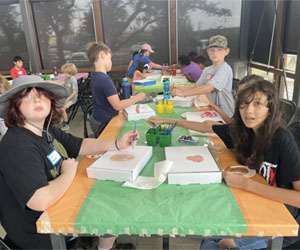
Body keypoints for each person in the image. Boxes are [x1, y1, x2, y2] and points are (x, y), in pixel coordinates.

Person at [0, 75, 139, 249]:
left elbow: (80, 145)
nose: (37, 100)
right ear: (15, 106)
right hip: (42, 233)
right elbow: (39, 200)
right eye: (27, 96)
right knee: (111, 208)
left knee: (112, 199)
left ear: (51, 101)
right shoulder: (19, 146)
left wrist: (117, 144)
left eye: (42, 95)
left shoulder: (44, 130)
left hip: (58, 206)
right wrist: (68, 172)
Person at [199, 80, 300, 250]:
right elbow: (210, 128)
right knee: (210, 236)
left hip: (282, 222)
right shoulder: (246, 132)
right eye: (244, 104)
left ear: (270, 109)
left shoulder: (282, 139)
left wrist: (246, 184)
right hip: (257, 207)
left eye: (258, 104)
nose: (249, 110)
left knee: (211, 244)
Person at [147, 75, 263, 127]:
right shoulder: (242, 124)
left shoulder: (277, 139)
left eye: (257, 103)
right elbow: (230, 125)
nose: (249, 109)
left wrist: (182, 93)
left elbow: (207, 127)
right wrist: (218, 110)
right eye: (241, 97)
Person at [86, 42, 146, 137]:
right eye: (110, 58)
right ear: (102, 55)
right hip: (104, 123)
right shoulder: (104, 79)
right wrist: (137, 98)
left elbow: (105, 97)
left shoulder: (95, 75)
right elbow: (117, 106)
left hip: (98, 118)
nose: (111, 62)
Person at [171, 35, 234, 117]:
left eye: (219, 50)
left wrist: (183, 93)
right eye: (212, 50)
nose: (215, 53)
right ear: (208, 52)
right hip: (213, 110)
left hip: (226, 113)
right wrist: (177, 88)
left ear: (227, 51)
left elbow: (208, 88)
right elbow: (196, 87)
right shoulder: (207, 70)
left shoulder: (225, 69)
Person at [59, 63, 79, 131]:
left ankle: (66, 124)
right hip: (67, 97)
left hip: (72, 99)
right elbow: (61, 83)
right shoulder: (67, 78)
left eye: (65, 73)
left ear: (70, 72)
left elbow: (74, 92)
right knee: (57, 103)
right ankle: (62, 117)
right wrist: (50, 82)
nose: (64, 74)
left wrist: (67, 100)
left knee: (62, 108)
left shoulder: (73, 80)